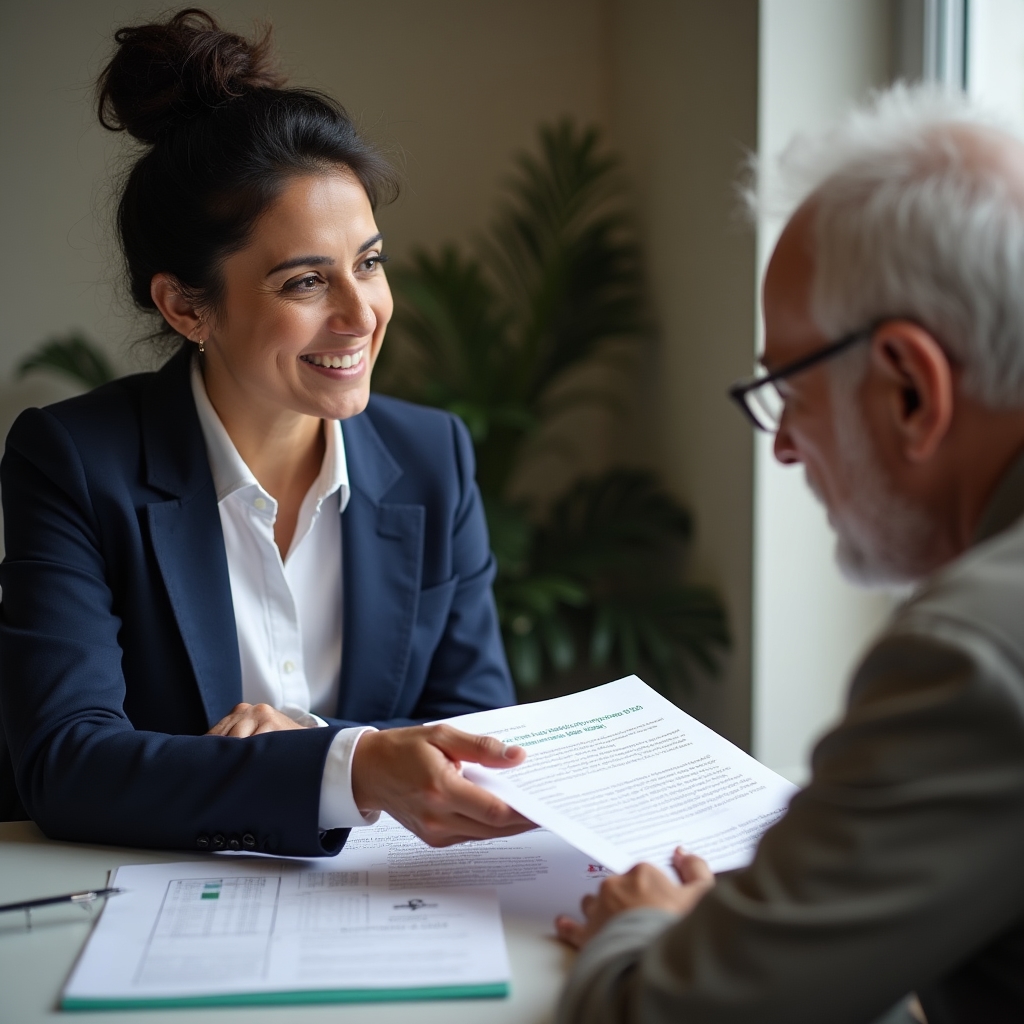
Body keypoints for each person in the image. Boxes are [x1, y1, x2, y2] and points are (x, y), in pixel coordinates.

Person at [0, 9, 533, 857]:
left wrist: (323, 744)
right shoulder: (73, 461)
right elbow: (66, 763)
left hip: (389, 903)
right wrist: (352, 765)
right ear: (185, 307)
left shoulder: (435, 458)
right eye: (305, 281)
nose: (363, 314)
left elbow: (479, 731)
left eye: (369, 261)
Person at [554, 85, 1024, 1024]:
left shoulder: (977, 650)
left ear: (909, 390)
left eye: (789, 391)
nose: (782, 446)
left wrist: (652, 929)